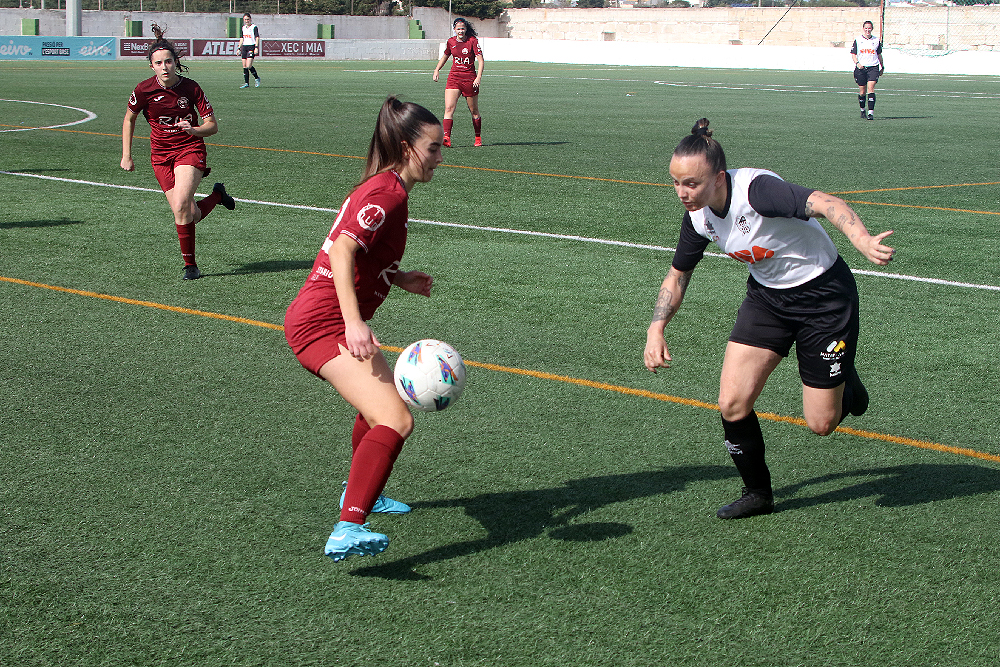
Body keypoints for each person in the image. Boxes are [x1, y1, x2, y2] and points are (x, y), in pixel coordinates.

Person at [643, 119, 895, 520]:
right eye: (675, 183)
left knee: (821, 424)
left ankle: (847, 383)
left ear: (719, 177)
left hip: (824, 299)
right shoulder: (697, 217)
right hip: (768, 302)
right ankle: (758, 493)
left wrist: (862, 240)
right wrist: (657, 327)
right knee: (732, 403)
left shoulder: (758, 192)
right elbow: (678, 274)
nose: (682, 193)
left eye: (691, 183)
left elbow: (827, 203)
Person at [284, 97, 444, 562]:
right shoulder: (386, 194)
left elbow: (360, 253)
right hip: (321, 323)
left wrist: (396, 276)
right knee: (397, 418)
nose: (439, 156)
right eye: (432, 148)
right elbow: (341, 252)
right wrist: (354, 322)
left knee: (383, 408)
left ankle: (362, 496)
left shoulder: (389, 188)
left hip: (328, 317)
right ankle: (348, 525)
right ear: (405, 145)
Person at [121, 24, 235, 281]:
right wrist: (126, 155)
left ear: (176, 62)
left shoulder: (191, 88)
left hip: (189, 149)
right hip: (160, 156)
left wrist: (194, 130)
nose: (164, 67)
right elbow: (129, 119)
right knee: (188, 214)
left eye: (169, 61)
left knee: (182, 206)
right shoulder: (143, 90)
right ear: (152, 66)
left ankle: (190, 266)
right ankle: (217, 195)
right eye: (159, 63)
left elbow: (212, 126)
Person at [432, 17, 484, 148]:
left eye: (462, 28)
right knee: (449, 108)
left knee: (474, 111)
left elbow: (481, 60)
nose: (460, 31)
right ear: (454, 29)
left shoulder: (472, 41)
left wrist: (478, 77)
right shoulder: (451, 41)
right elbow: (445, 56)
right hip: (454, 78)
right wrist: (437, 70)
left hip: (469, 79)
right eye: (458, 29)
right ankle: (446, 137)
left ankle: (478, 137)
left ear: (466, 29)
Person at [851, 21, 884, 120]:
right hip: (861, 69)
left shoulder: (876, 40)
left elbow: (879, 55)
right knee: (862, 92)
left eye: (869, 28)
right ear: (863, 28)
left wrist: (882, 66)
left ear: (872, 29)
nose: (867, 30)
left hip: (873, 67)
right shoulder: (858, 40)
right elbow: (853, 54)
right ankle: (862, 110)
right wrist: (857, 63)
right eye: (866, 28)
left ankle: (870, 113)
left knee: (871, 88)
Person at [239, 13, 261, 89]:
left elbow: (257, 37)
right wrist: (239, 48)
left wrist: (256, 47)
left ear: (250, 19)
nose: (246, 21)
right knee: (244, 66)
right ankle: (246, 83)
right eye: (245, 19)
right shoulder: (243, 28)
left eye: (248, 19)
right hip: (244, 47)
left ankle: (257, 78)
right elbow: (242, 38)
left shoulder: (254, 27)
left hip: (251, 46)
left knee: (249, 66)